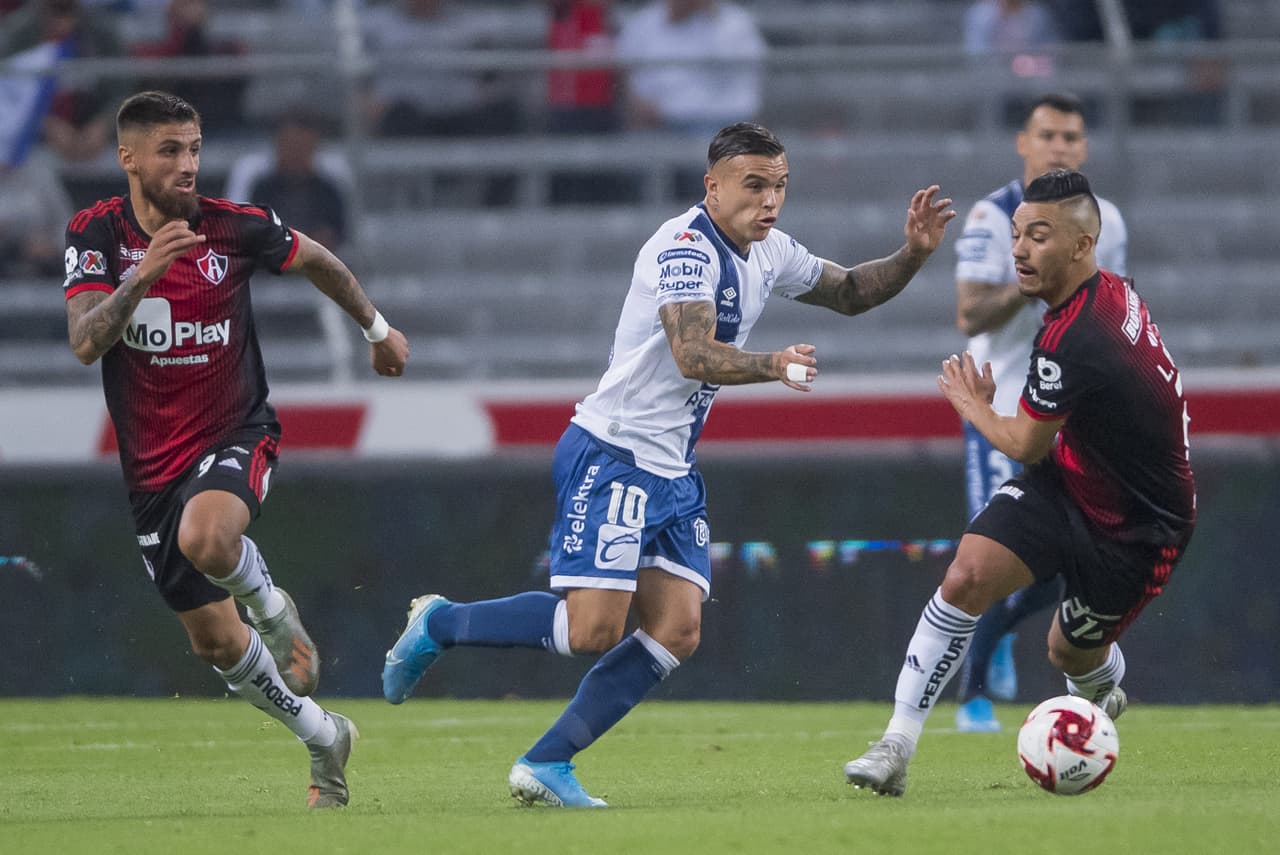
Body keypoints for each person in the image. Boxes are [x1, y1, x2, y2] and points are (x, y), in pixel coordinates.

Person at [381, 121, 955, 808]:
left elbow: (852, 291)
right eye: (754, 185)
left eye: (779, 186)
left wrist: (913, 253)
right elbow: (692, 352)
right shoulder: (684, 248)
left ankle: (546, 760)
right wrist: (773, 363)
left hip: (673, 468)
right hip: (616, 450)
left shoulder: (770, 251)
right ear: (711, 186)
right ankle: (441, 621)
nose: (770, 200)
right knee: (593, 628)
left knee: (677, 628)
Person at [62, 91, 409, 808]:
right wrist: (145, 273)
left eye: (193, 148)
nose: (187, 164)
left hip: (236, 432)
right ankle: (323, 735)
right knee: (215, 646)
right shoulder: (95, 235)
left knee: (208, 535)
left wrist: (377, 331)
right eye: (169, 150)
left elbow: (318, 259)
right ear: (128, 157)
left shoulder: (231, 227)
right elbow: (84, 341)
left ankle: (271, 604)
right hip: (150, 471)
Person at [844, 169, 1195, 797]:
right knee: (966, 575)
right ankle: (896, 743)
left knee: (1068, 655)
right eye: (1016, 235)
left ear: (1083, 246)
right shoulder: (1101, 295)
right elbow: (1044, 447)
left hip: (1140, 528)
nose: (1019, 251)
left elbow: (1022, 440)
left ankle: (1100, 683)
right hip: (1069, 482)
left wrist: (973, 404)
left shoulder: (1076, 336)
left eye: (1039, 236)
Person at [950, 92, 1127, 734]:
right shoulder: (992, 218)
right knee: (994, 559)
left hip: (1075, 412)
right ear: (1023, 143)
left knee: (1082, 553)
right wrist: (1035, 277)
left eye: (1072, 137)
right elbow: (969, 313)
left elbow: (1111, 309)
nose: (1059, 146)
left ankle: (994, 646)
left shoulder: (1105, 220)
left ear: (1084, 148)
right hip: (1005, 409)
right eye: (1047, 134)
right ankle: (972, 696)